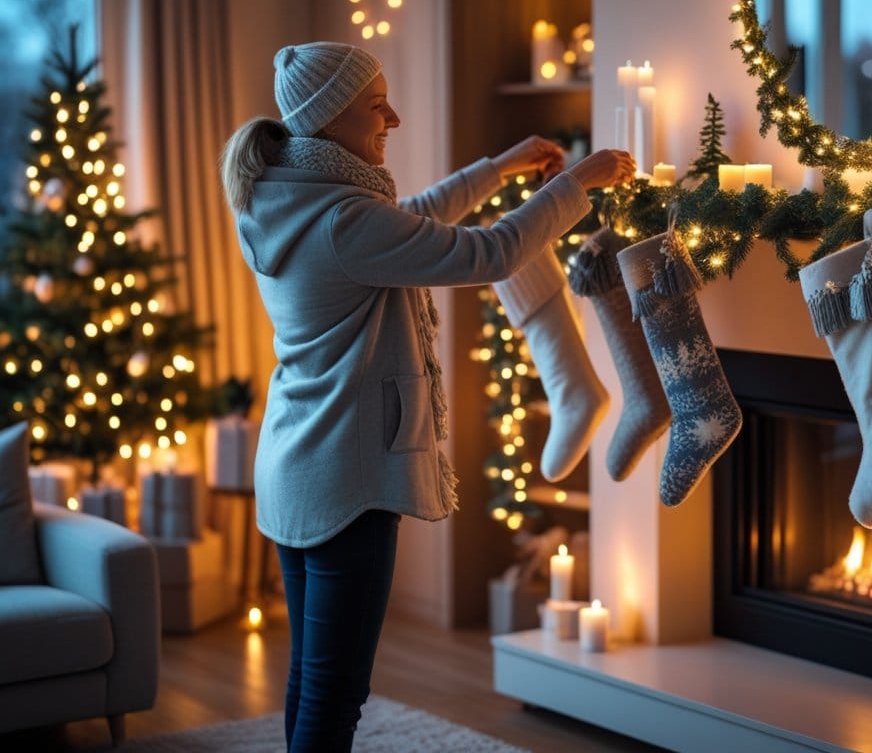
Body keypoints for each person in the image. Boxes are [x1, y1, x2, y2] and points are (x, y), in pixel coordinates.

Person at [219, 41, 633, 752]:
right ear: (330, 119)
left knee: (312, 681)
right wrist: (578, 184)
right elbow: (492, 253)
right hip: (347, 480)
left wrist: (501, 168)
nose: (396, 118)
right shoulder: (346, 221)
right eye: (377, 106)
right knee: (336, 694)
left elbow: (414, 218)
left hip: (296, 467)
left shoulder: (292, 198)